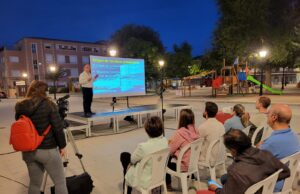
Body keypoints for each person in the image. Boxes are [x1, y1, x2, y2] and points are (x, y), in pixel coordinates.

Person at [15, 80, 67, 194]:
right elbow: (58, 128)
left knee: (34, 184)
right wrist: (62, 146)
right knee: (60, 182)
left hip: (28, 151)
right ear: (45, 91)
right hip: (47, 149)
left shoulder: (20, 105)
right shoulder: (49, 105)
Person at [208, 129, 290, 194]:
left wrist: (216, 188)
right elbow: (286, 172)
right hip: (263, 190)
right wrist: (265, 181)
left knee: (217, 183)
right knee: (224, 178)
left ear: (233, 150)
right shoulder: (266, 154)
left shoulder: (235, 170)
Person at [120, 116, 168, 194]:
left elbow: (132, 160)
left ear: (147, 130)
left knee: (125, 156)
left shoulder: (143, 147)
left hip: (145, 180)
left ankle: (126, 191)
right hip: (159, 176)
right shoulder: (165, 141)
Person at [259, 104, 300, 192]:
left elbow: (255, 165)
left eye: (268, 114)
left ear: (274, 117)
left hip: (271, 185)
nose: (267, 116)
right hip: (288, 181)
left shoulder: (272, 142)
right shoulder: (293, 135)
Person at [166, 109, 200, 189]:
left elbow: (170, 151)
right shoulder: (196, 130)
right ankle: (191, 177)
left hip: (183, 165)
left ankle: (168, 184)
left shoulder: (179, 133)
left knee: (166, 159)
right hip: (193, 163)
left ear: (181, 119)